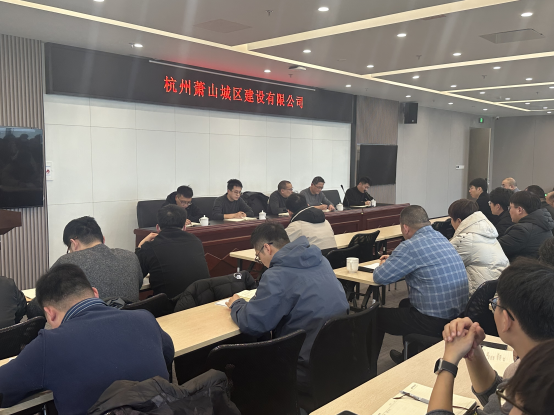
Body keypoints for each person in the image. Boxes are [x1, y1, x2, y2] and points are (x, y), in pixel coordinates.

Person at [0, 264, 174, 414]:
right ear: (95, 293)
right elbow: (168, 353)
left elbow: (3, 389)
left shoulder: (49, 345)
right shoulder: (145, 318)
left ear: (50, 313)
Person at [226, 222, 349, 392]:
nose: (261, 262)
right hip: (339, 354)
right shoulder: (321, 260)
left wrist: (237, 304)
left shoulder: (276, 275)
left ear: (267, 248)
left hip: (302, 364)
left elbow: (253, 322)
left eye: (258, 256)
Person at [426, 259, 554, 415]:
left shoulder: (532, 393)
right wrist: (474, 350)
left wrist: (448, 363)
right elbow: (498, 405)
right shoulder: (539, 369)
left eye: (495, 304)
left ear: (506, 320)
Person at [373, 205, 468, 364]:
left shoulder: (410, 246)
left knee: (375, 316)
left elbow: (380, 277)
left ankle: (368, 369)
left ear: (405, 228)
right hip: (458, 316)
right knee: (404, 304)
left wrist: (385, 264)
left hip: (433, 321)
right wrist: (397, 260)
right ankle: (408, 355)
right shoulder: (441, 237)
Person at [52, 216, 143, 301]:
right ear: (103, 240)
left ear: (74, 244)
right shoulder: (131, 257)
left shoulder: (66, 263)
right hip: (131, 313)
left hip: (89, 313)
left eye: (69, 249)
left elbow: (46, 300)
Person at [135, 205, 210, 298]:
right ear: (184, 227)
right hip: (201, 301)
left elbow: (135, 277)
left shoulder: (150, 246)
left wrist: (139, 247)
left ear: (157, 228)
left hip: (170, 304)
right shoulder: (196, 241)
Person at [448, 199, 508, 296]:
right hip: (499, 291)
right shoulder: (487, 233)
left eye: (451, 219)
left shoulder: (464, 239)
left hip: (478, 297)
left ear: (459, 221)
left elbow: (442, 264)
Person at [498, 191, 554, 261]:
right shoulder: (544, 224)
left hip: (523, 267)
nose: (509, 211)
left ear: (519, 210)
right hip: (538, 267)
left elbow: (495, 250)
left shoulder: (521, 230)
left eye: (510, 208)